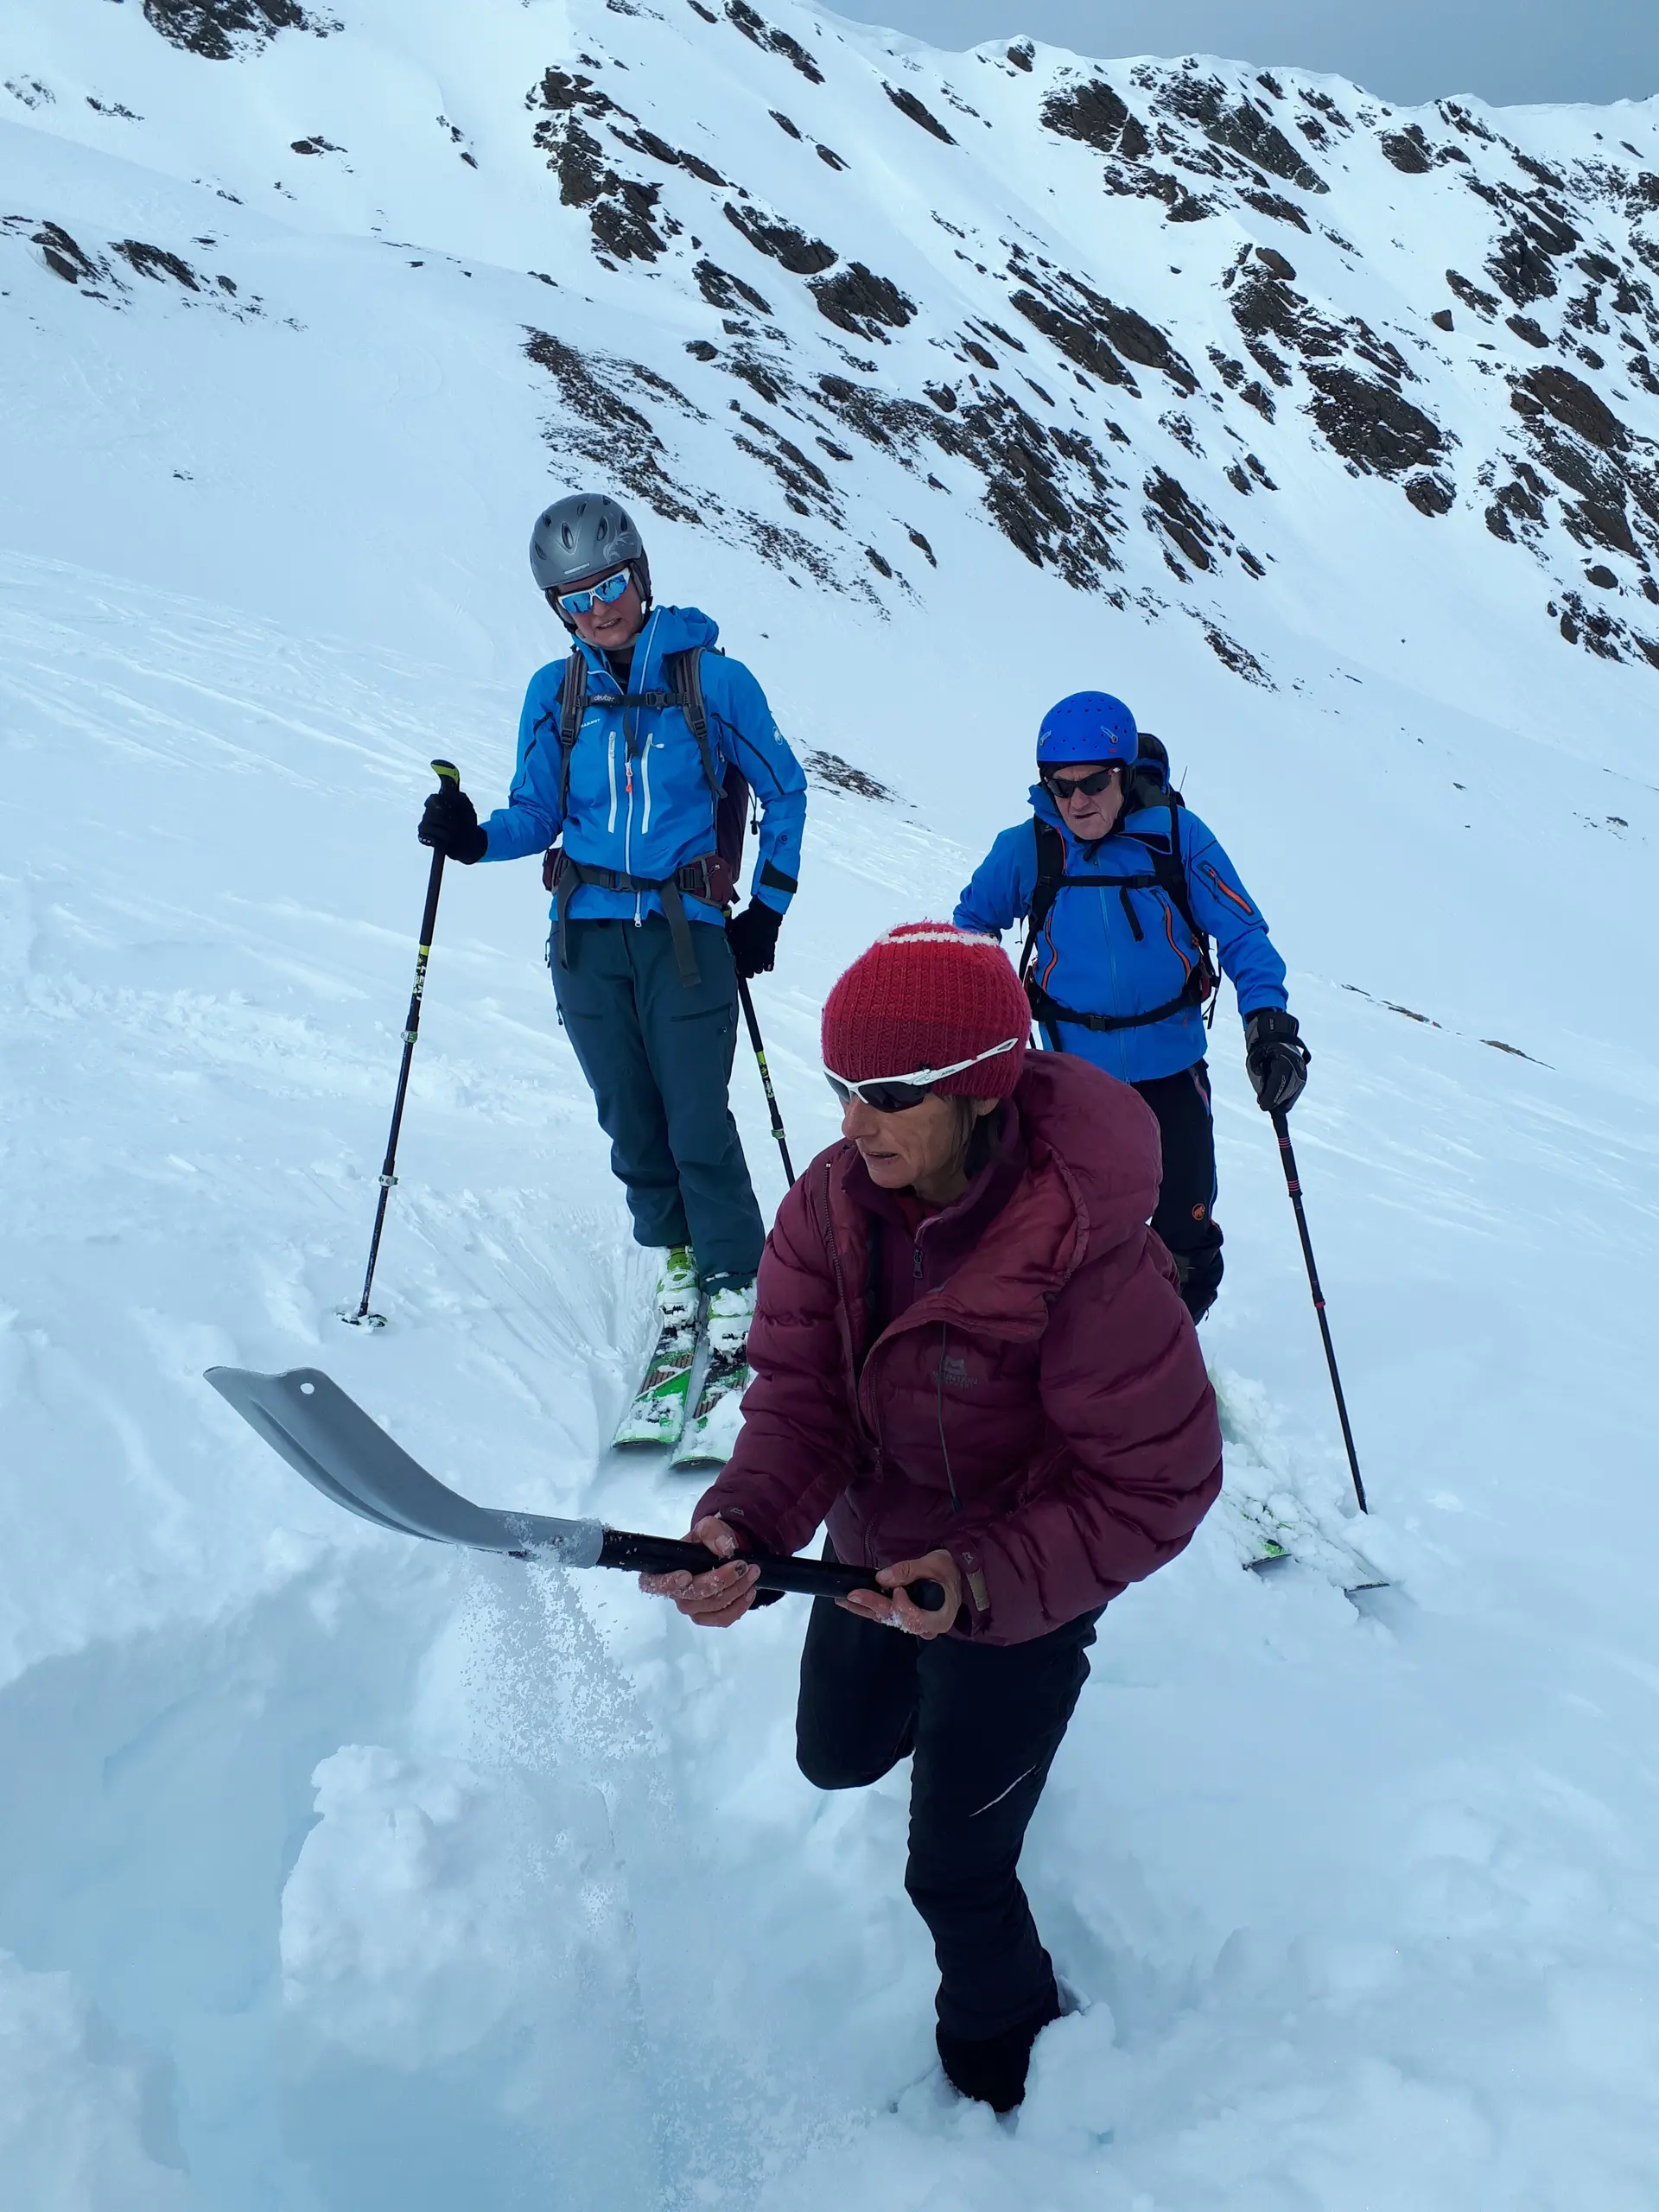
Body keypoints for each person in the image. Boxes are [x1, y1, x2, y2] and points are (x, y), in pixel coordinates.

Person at [641, 923, 1223, 2113]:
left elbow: (1161, 1483)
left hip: (1020, 1587)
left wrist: (982, 1582)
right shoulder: (832, 1210)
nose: (857, 1125)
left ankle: (1015, 2057)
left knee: (955, 1873)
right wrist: (744, 1526)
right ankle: (947, 1716)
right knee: (836, 1755)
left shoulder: (1088, 1255)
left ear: (980, 1090)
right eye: (845, 1090)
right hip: (873, 1551)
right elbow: (801, 1400)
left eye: (893, 1096)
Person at [416, 492, 807, 1348]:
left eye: (609, 586)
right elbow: (536, 810)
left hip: (689, 940)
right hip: (586, 940)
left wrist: (766, 913)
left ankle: (736, 1285)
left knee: (698, 1122)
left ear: (641, 575)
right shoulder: (553, 692)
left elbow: (786, 792)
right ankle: (676, 1270)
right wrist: (475, 839)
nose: (597, 610)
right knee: (631, 1123)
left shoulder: (716, 680)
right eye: (574, 599)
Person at [953, 691, 1306, 1324]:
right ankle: (1075, 1354)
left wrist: (1269, 1025)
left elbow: (1245, 933)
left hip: (1171, 1068)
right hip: (1071, 1076)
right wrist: (980, 1012)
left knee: (1186, 1233)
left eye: (1093, 782)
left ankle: (1166, 1349)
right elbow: (972, 924)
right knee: (1066, 1228)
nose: (1077, 800)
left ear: (1124, 771)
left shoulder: (1177, 839)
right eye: (1060, 787)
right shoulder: (1029, 848)